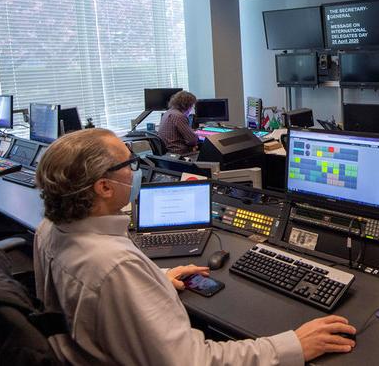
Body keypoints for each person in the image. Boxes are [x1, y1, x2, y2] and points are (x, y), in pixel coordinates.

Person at [33, 129, 357, 365]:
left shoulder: (50, 230)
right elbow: (193, 361)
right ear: (104, 187)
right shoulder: (116, 267)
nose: (135, 170)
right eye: (129, 164)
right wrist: (293, 345)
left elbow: (96, 298)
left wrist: (155, 280)